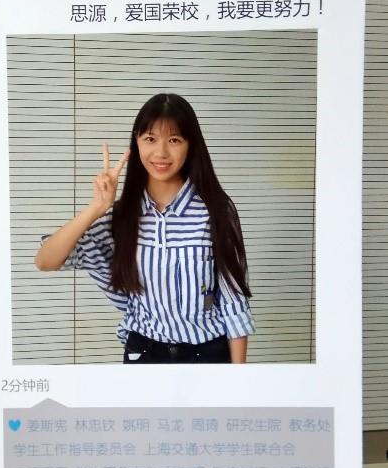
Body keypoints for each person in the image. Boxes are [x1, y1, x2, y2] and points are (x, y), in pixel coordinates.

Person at [35, 93, 255, 363]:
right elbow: (46, 261)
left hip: (207, 355)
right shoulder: (122, 217)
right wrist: (97, 206)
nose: (161, 152)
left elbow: (234, 302)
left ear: (190, 145)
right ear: (136, 142)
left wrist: (237, 380)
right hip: (144, 354)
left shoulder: (216, 211)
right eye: (150, 139)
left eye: (174, 140)